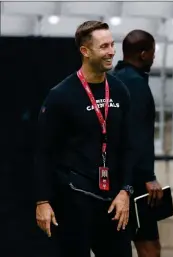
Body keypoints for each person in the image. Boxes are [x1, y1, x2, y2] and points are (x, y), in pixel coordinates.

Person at [34, 20, 137, 257]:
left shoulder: (120, 90)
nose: (112, 51)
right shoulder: (60, 96)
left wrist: (125, 191)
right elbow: (43, 152)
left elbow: (129, 146)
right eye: (104, 47)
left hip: (114, 201)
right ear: (85, 51)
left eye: (112, 45)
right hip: (73, 198)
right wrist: (42, 201)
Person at [111, 29, 163, 257]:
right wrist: (148, 176)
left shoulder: (112, 78)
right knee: (149, 248)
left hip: (111, 178)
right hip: (135, 182)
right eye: (152, 52)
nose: (154, 57)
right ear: (143, 54)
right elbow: (138, 135)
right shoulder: (137, 85)